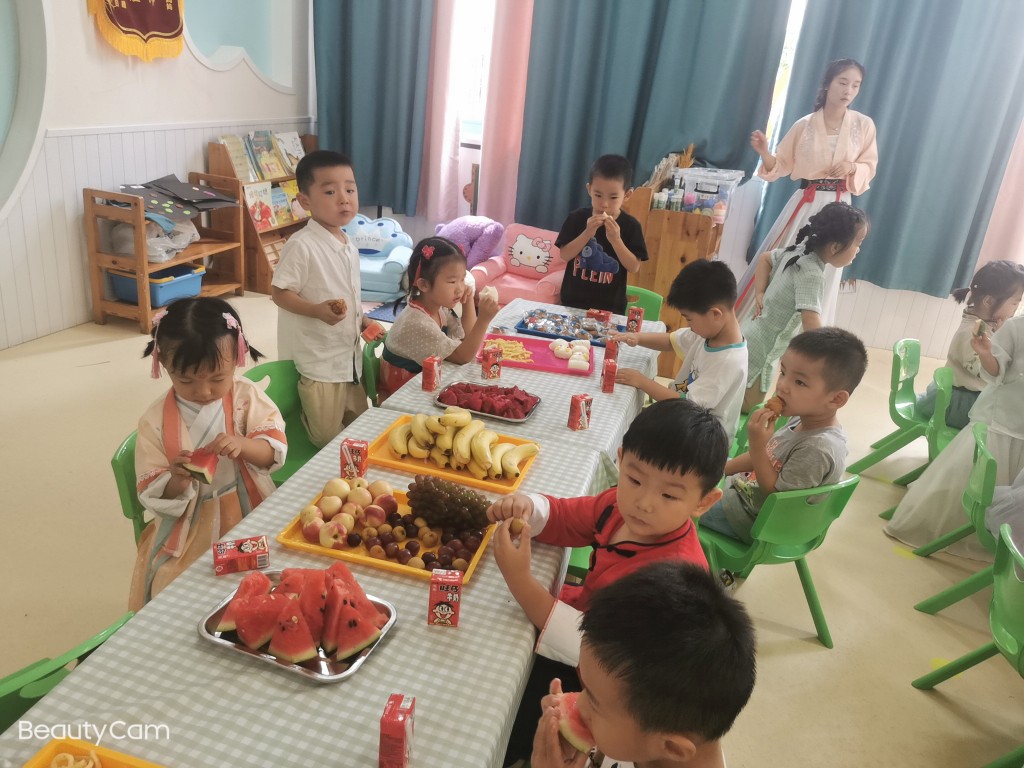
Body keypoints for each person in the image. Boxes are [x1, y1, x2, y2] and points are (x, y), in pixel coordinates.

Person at [490, 399, 729, 766]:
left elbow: (591, 649)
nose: (643, 502)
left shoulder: (672, 580)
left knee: (507, 712)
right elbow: (567, 517)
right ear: (620, 460)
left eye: (668, 495)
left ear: (704, 502)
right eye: (634, 479)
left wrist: (520, 580)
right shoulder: (616, 508)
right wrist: (529, 509)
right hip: (580, 640)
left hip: (603, 684)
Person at [128, 297, 286, 610]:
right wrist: (176, 479)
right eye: (186, 380)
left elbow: (273, 452)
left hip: (248, 505)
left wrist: (244, 445)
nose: (203, 392)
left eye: (217, 379)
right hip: (189, 522)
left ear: (237, 358)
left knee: (272, 574)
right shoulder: (154, 421)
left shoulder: (246, 397)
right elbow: (150, 485)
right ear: (164, 365)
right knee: (176, 588)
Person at [530, 561, 757, 768]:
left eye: (594, 703)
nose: (579, 704)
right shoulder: (647, 734)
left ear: (672, 748)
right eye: (588, 692)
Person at [738, 58, 878, 326]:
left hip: (841, 207)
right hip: (808, 203)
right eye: (843, 82)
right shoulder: (804, 125)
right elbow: (780, 166)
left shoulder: (864, 125)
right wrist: (764, 152)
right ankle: (760, 324)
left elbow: (869, 167)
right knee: (788, 262)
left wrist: (851, 166)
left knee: (828, 270)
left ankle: (813, 333)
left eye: (855, 85)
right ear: (827, 84)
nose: (848, 90)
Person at [700, 327, 867, 545]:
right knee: (696, 464)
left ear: (836, 399)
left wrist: (757, 446)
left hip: (750, 520)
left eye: (800, 382)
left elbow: (776, 498)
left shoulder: (818, 448)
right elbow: (767, 455)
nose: (782, 386)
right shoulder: (801, 418)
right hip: (742, 493)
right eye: (783, 372)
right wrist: (720, 469)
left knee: (674, 504)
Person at [886, 314, 1024, 560]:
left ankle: (1005, 544)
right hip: (999, 420)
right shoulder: (1017, 326)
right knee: (971, 477)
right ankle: (956, 531)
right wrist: (985, 353)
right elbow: (996, 371)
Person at [271, 149, 374, 448]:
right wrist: (315, 310)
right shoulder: (302, 245)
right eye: (330, 192)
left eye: (350, 190)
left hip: (348, 357)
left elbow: (350, 292)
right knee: (326, 438)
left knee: (359, 427)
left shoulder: (347, 242)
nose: (344, 199)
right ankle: (295, 420)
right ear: (305, 201)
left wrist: (363, 319)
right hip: (320, 361)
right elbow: (279, 293)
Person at [742, 202, 868, 412]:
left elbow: (765, 259)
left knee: (739, 391)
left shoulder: (799, 252)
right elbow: (811, 321)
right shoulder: (811, 274)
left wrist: (760, 293)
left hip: (750, 333)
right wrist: (830, 356)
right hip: (763, 351)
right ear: (835, 247)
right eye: (858, 242)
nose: (859, 250)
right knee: (748, 406)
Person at [611, 259, 747, 444]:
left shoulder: (728, 361)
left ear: (716, 314)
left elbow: (687, 404)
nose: (688, 326)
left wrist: (641, 381)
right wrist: (637, 338)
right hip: (680, 418)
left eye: (689, 319)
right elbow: (671, 341)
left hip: (699, 443)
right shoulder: (709, 332)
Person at [377, 237, 500, 402]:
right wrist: (483, 320)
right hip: (403, 396)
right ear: (424, 285)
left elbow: (469, 340)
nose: (460, 288)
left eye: (462, 279)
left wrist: (469, 302)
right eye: (452, 281)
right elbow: (464, 356)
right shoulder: (417, 322)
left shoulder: (437, 307)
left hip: (424, 383)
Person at [915, 260, 1024, 429]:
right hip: (955, 403)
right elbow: (989, 374)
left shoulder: (983, 324)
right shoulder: (973, 334)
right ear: (989, 301)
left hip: (959, 396)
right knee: (1008, 420)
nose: (1016, 309)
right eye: (1015, 303)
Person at [556, 154, 649, 314]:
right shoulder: (576, 218)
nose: (604, 204)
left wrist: (616, 240)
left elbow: (633, 267)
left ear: (627, 195)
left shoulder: (631, 226)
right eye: (598, 195)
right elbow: (564, 255)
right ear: (589, 189)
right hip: (572, 303)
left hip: (610, 308)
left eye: (613, 197)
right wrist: (587, 233)